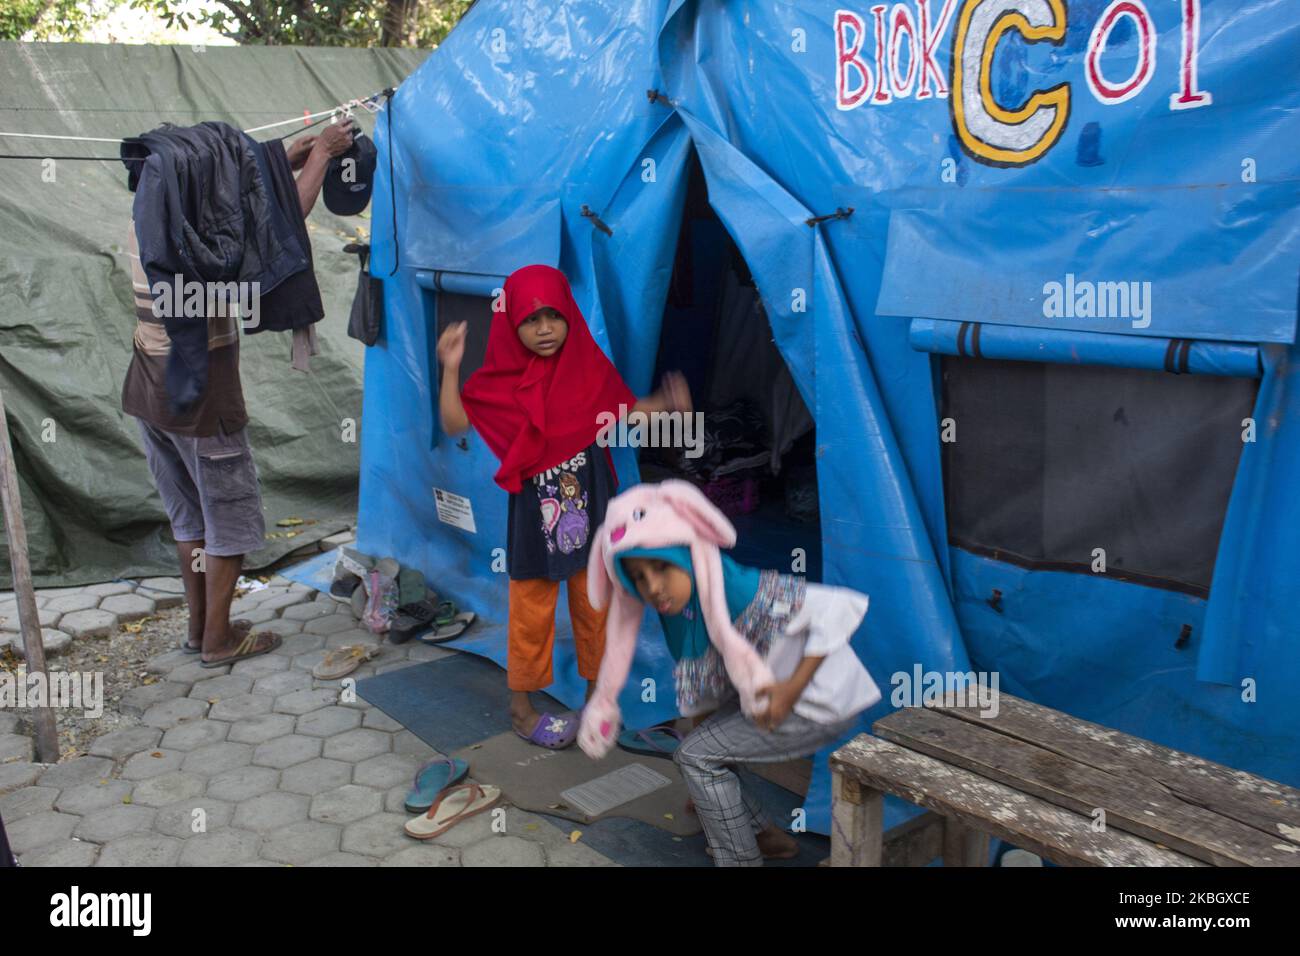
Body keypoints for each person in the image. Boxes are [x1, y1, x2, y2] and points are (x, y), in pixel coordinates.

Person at [123, 122, 354, 668]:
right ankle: (220, 642)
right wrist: (320, 154)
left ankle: (200, 628)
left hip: (149, 393)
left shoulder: (151, 221)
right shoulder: (196, 245)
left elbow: (240, 191)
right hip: (203, 398)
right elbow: (274, 228)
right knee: (228, 521)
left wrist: (287, 151)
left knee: (191, 521)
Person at [436, 264, 692, 748]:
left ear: (570, 316)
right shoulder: (500, 381)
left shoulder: (586, 367)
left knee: (595, 608)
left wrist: (663, 403)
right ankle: (520, 707)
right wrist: (451, 367)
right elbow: (454, 423)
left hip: (591, 514)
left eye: (555, 316)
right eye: (531, 320)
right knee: (531, 613)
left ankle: (596, 698)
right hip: (535, 523)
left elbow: (624, 410)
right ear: (512, 324)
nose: (545, 329)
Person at [577, 479, 881, 865]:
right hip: (775, 700)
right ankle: (767, 837)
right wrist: (703, 779)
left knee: (694, 756)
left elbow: (839, 608)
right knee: (697, 754)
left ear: (687, 556)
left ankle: (740, 858)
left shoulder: (739, 589)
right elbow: (706, 690)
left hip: (814, 699)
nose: (652, 586)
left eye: (662, 567)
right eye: (638, 576)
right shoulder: (683, 614)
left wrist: (790, 689)